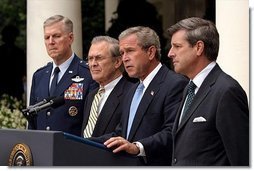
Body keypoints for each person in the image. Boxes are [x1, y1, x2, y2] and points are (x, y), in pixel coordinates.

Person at [91, 26, 188, 165]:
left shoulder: (175, 84)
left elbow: (173, 132)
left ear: (150, 52)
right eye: (122, 53)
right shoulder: (132, 90)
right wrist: (81, 142)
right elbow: (121, 133)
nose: (124, 58)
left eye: (130, 51)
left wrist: (138, 147)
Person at [167, 17, 249, 166]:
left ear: (199, 47)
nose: (170, 53)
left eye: (177, 46)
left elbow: (241, 159)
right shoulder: (189, 88)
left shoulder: (226, 91)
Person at [28, 15, 98, 136]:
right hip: (42, 149)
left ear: (70, 38)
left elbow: (91, 123)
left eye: (56, 36)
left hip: (72, 150)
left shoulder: (87, 73)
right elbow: (32, 122)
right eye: (47, 37)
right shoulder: (39, 76)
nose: (51, 42)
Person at [81, 36, 134, 138]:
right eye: (90, 58)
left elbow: (123, 134)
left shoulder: (131, 93)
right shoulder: (92, 95)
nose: (93, 64)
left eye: (99, 58)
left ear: (117, 62)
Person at [0, 24, 26, 100]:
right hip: (2, 88)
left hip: (16, 89)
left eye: (11, 35)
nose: (9, 37)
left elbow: (23, 70)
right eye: (7, 35)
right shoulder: (0, 51)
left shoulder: (20, 53)